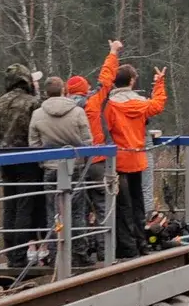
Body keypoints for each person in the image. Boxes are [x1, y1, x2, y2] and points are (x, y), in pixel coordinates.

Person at [28, 75, 94, 269]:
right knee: (77, 212)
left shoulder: (38, 114)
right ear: (64, 90)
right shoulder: (78, 112)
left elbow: (34, 144)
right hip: (75, 167)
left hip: (50, 169)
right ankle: (80, 254)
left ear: (47, 92)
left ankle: (55, 253)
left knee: (52, 212)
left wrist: (44, 161)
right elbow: (87, 141)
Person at [0, 63, 47, 266]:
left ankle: (12, 252)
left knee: (9, 205)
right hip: (28, 160)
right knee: (25, 205)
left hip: (4, 159)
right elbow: (39, 130)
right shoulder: (32, 103)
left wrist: (3, 144)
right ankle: (21, 254)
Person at [105, 62, 167, 258]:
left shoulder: (110, 106)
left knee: (122, 205)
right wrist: (159, 83)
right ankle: (141, 242)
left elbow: (105, 129)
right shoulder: (140, 103)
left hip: (117, 160)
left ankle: (126, 246)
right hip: (137, 159)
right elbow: (157, 105)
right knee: (137, 201)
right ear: (132, 81)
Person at [69, 38, 123, 260]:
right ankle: (105, 251)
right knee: (103, 208)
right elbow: (106, 80)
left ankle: (79, 254)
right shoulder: (92, 102)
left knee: (77, 210)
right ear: (84, 90)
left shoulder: (63, 107)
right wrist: (112, 53)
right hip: (98, 160)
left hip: (72, 165)